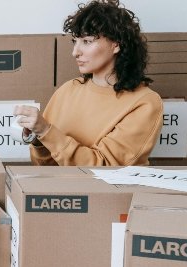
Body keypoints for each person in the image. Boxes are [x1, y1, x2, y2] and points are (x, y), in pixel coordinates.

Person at [14, 0, 163, 166]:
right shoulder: (68, 90)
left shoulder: (145, 103)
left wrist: (46, 131)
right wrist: (38, 139)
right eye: (75, 41)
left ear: (116, 44)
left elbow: (106, 168)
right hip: (60, 190)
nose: (75, 52)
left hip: (108, 191)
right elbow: (45, 165)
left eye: (86, 41)